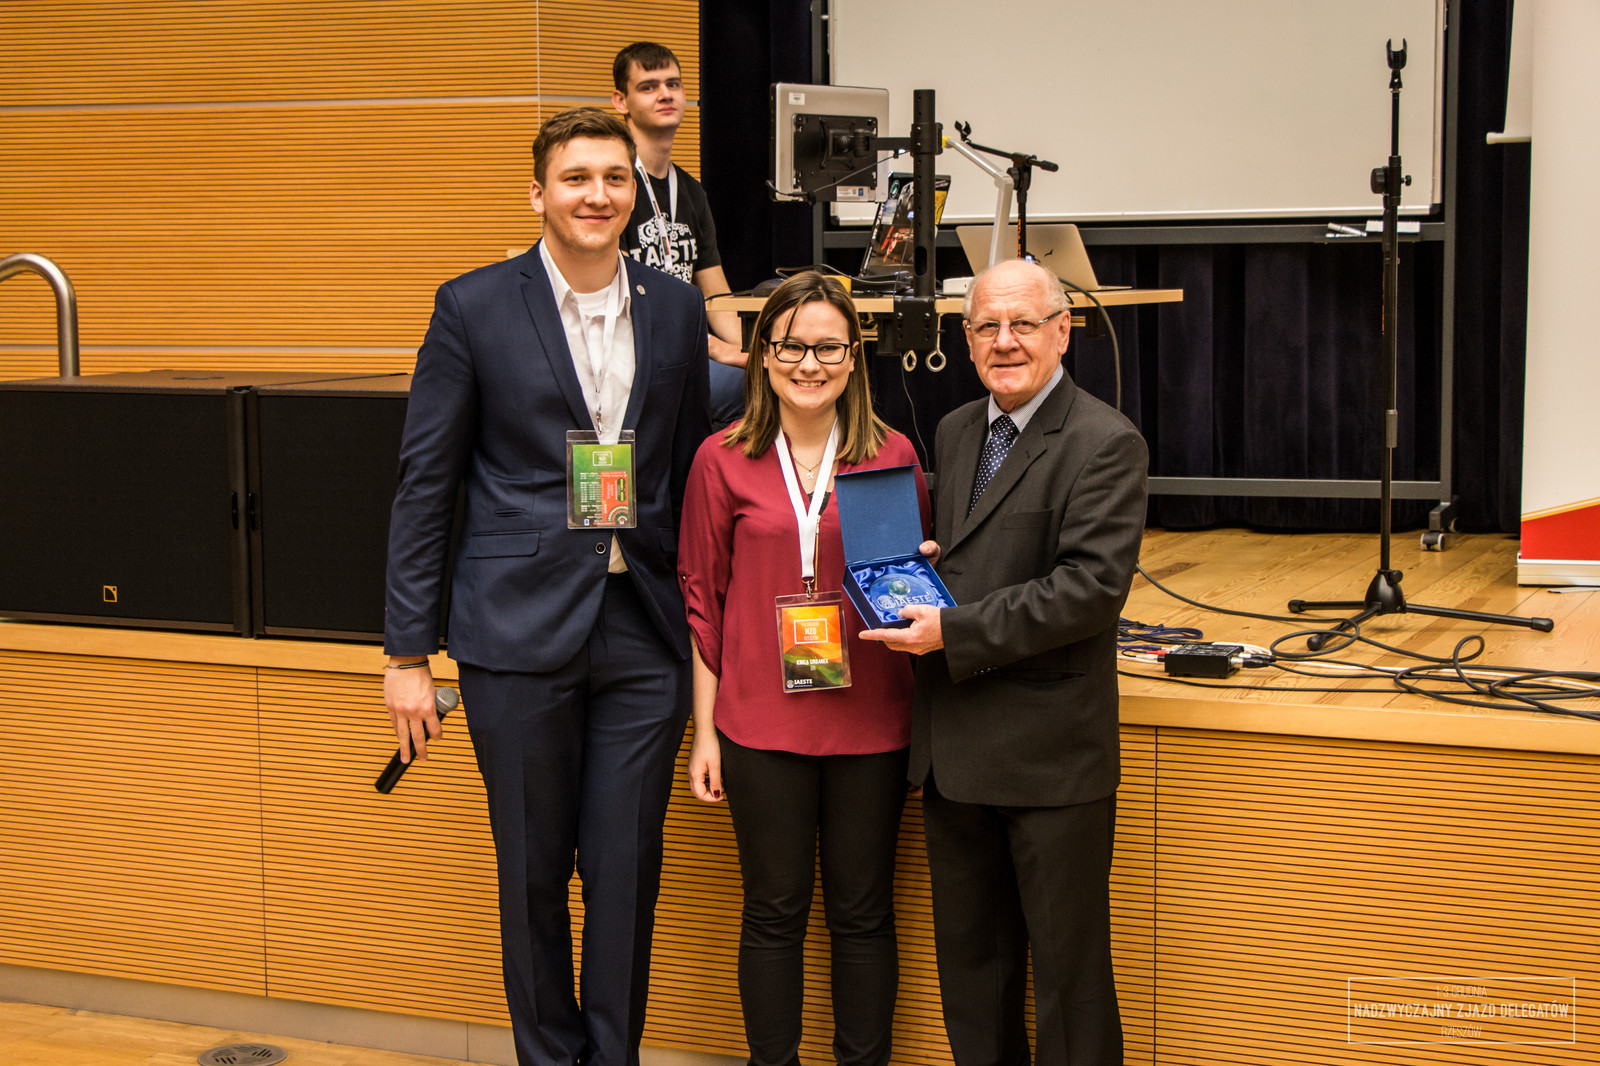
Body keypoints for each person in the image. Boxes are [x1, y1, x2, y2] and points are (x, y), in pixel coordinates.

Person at [382, 106, 710, 1066]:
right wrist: (407, 652)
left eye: (614, 178)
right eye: (576, 178)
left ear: (633, 194)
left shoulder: (675, 306)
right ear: (538, 193)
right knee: (531, 875)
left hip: (643, 629)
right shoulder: (473, 305)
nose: (596, 196)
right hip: (514, 631)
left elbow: (690, 468)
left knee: (625, 873)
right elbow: (426, 483)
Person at [861, 258, 1148, 1066]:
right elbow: (978, 554)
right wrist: (930, 566)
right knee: (974, 982)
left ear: (1063, 332)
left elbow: (1088, 592)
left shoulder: (1105, 442)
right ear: (965, 339)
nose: (1006, 341)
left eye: (1024, 323)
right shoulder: (958, 430)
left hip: (1050, 761)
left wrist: (953, 629)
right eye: (987, 326)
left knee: (1069, 988)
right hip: (956, 757)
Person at [678, 272, 928, 1066]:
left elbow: (905, 596)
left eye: (827, 347)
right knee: (773, 912)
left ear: (853, 357)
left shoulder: (891, 456)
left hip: (872, 723)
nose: (808, 364)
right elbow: (703, 602)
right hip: (758, 725)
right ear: (763, 355)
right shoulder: (721, 460)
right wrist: (705, 732)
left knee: (863, 915)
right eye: (790, 346)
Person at [611, 41, 747, 428]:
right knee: (743, 386)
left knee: (777, 373)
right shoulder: (614, 187)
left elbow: (716, 295)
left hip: (687, 347)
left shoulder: (689, 190)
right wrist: (714, 348)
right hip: (637, 347)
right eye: (649, 87)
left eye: (673, 84)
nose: (666, 94)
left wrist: (752, 349)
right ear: (621, 101)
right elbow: (622, 300)